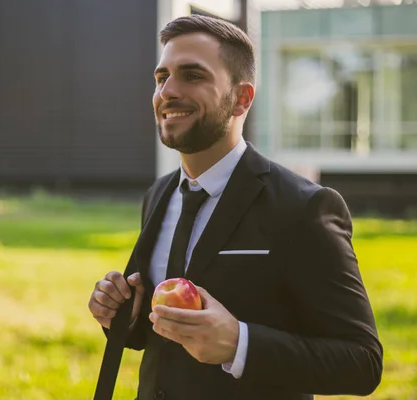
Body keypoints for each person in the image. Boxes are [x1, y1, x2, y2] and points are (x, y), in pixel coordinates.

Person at [88, 14, 383, 400]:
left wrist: (238, 345)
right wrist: (123, 316)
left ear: (242, 98)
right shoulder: (158, 195)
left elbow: (361, 363)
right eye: (162, 78)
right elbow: (159, 335)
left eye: (193, 76)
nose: (168, 92)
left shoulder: (304, 207)